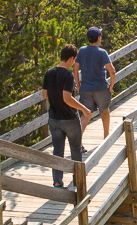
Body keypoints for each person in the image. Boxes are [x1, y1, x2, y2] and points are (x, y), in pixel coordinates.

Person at [42, 44, 91, 188]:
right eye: (74, 59)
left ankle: (57, 181)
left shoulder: (48, 73)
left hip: (54, 118)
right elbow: (67, 98)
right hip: (69, 118)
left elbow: (44, 95)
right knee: (75, 149)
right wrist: (84, 109)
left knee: (58, 151)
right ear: (70, 58)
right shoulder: (68, 75)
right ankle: (78, 180)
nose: (74, 63)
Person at [74, 27, 118, 140]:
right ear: (98, 38)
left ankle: (77, 140)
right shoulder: (102, 52)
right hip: (100, 87)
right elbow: (112, 71)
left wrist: (78, 84)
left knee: (86, 114)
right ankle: (106, 136)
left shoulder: (82, 51)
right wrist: (112, 85)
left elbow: (75, 69)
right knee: (104, 109)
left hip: (85, 88)